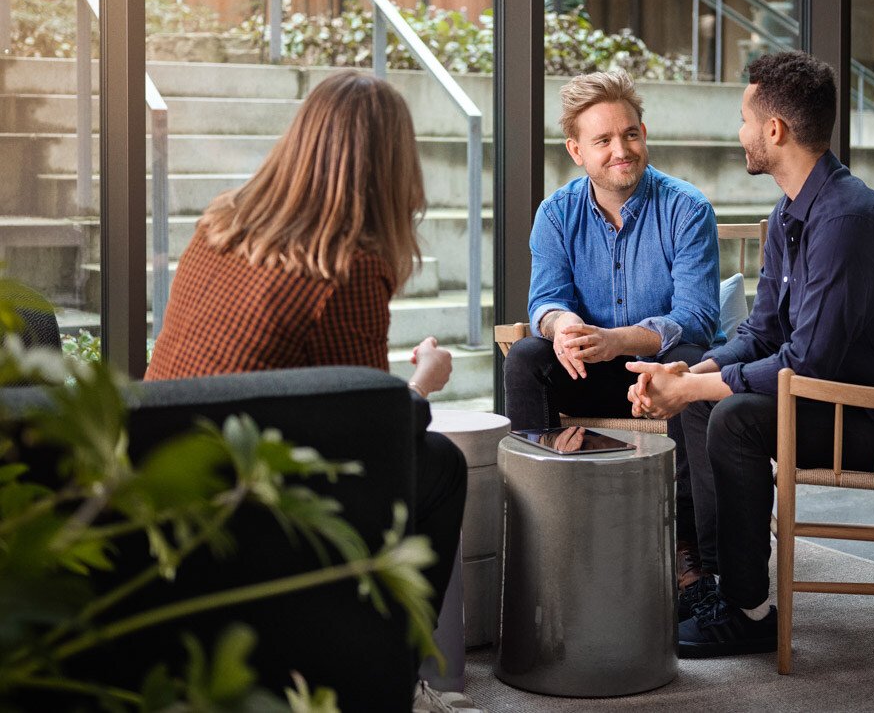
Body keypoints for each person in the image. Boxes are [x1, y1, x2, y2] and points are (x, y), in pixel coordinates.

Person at [627, 50, 874, 658]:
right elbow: (763, 334)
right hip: (859, 395)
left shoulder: (845, 220)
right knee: (705, 403)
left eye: (743, 118)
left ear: (774, 130)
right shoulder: (790, 212)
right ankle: (718, 586)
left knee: (731, 417)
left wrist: (700, 386)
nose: (738, 132)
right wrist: (692, 371)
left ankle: (749, 612)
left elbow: (807, 363)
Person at [145, 70, 467, 683]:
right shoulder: (347, 267)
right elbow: (376, 441)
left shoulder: (219, 224)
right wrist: (423, 382)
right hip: (243, 501)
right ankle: (394, 678)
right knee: (441, 465)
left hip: (164, 470)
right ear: (391, 166)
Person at [503, 68, 722, 594]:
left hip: (660, 377)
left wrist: (619, 339)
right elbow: (545, 301)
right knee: (527, 359)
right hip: (592, 372)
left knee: (692, 360)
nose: (620, 149)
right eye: (603, 140)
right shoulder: (556, 214)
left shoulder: (687, 209)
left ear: (643, 134)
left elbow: (696, 315)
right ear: (577, 151)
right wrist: (563, 326)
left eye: (629, 133)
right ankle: (545, 525)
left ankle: (687, 548)